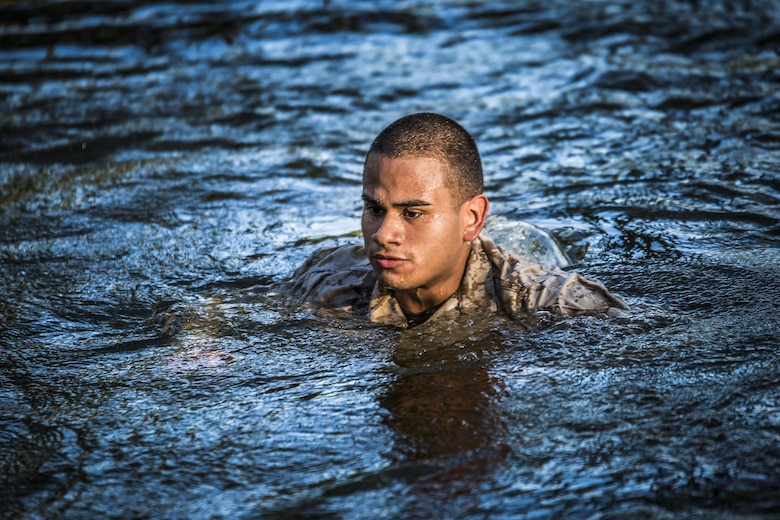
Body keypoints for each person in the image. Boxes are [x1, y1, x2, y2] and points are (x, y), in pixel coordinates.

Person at [281, 112, 626, 328]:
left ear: (472, 218)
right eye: (375, 209)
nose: (384, 234)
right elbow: (238, 311)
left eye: (412, 213)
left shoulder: (553, 304)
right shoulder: (325, 279)